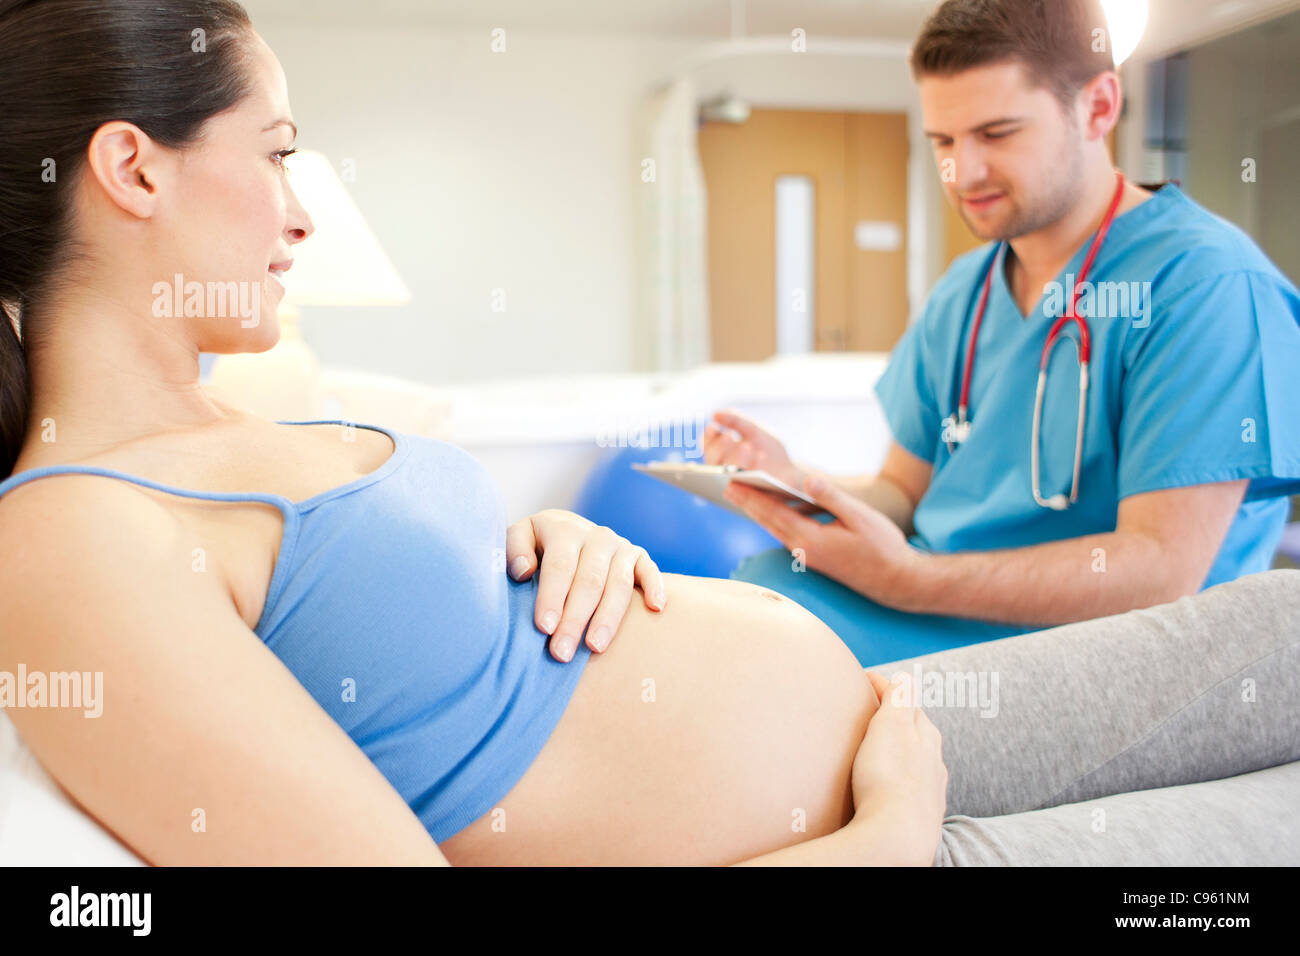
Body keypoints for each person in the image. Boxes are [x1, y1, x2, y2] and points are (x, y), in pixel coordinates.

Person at [0, 0, 1296, 867]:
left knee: (1281, 636)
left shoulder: (235, 426)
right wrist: (880, 846)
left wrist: (546, 545)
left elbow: (409, 649)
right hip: (865, 830)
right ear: (132, 170)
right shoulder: (68, 536)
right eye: (275, 152)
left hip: (887, 725)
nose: (300, 214)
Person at [707, 0, 1300, 667]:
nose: (964, 173)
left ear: (1099, 108)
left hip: (1098, 654)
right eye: (944, 142)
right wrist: (802, 486)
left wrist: (909, 580)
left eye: (997, 133)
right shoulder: (964, 291)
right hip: (937, 603)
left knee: (751, 658)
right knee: (743, 599)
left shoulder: (1206, 287)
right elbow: (904, 492)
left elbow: (1161, 571)